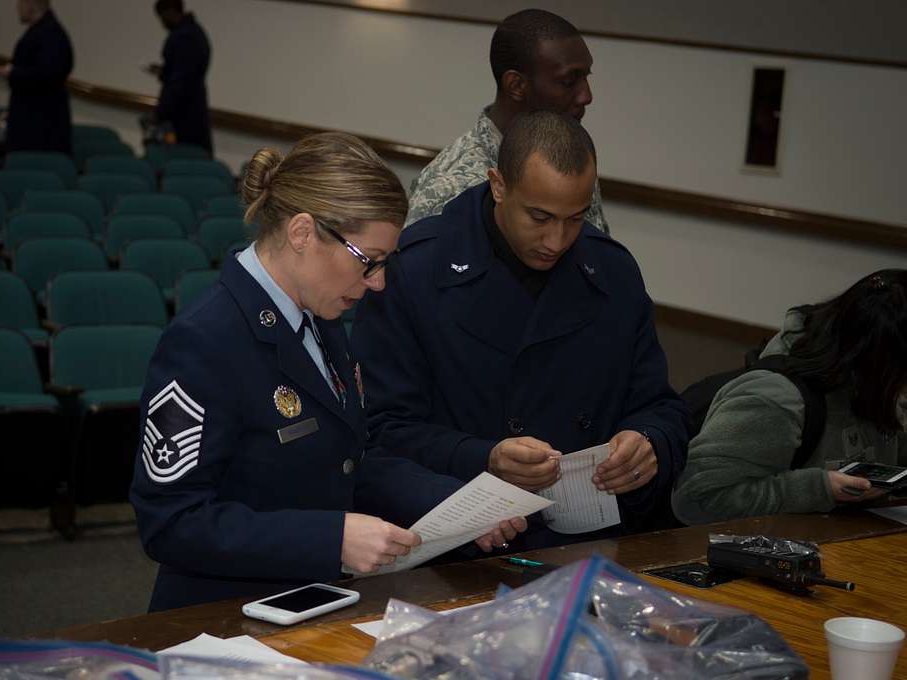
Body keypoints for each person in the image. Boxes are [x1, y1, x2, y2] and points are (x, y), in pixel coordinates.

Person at [130, 132, 525, 612]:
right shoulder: (204, 340)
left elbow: (349, 462)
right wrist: (331, 537)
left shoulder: (322, 319)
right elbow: (171, 523)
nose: (378, 283)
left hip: (309, 605)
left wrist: (460, 505)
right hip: (221, 616)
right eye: (369, 263)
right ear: (302, 233)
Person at [352, 111, 689, 551]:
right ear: (498, 186)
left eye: (575, 219)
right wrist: (484, 458)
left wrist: (650, 443)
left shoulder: (613, 271)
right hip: (462, 545)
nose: (557, 239)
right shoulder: (415, 271)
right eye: (540, 217)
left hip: (591, 542)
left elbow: (661, 406)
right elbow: (378, 431)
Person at [672, 270, 907, 525]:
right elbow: (697, 498)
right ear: (883, 364)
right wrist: (820, 489)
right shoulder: (776, 400)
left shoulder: (876, 386)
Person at [405, 9, 608, 233]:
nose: (586, 96)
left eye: (585, 77)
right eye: (569, 81)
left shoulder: (570, 154)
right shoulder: (453, 188)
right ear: (517, 86)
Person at [0, 0, 73, 155]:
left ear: (31, 5)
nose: (17, 7)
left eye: (20, 3)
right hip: (31, 120)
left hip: (41, 128)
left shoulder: (51, 34)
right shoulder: (44, 31)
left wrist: (13, 73)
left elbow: (48, 76)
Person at [147, 0, 212, 153]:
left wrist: (159, 114)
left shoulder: (183, 37)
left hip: (182, 117)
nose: (162, 24)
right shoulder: (196, 32)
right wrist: (165, 72)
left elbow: (179, 83)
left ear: (170, 12)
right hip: (194, 110)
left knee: (181, 160)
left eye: (162, 18)